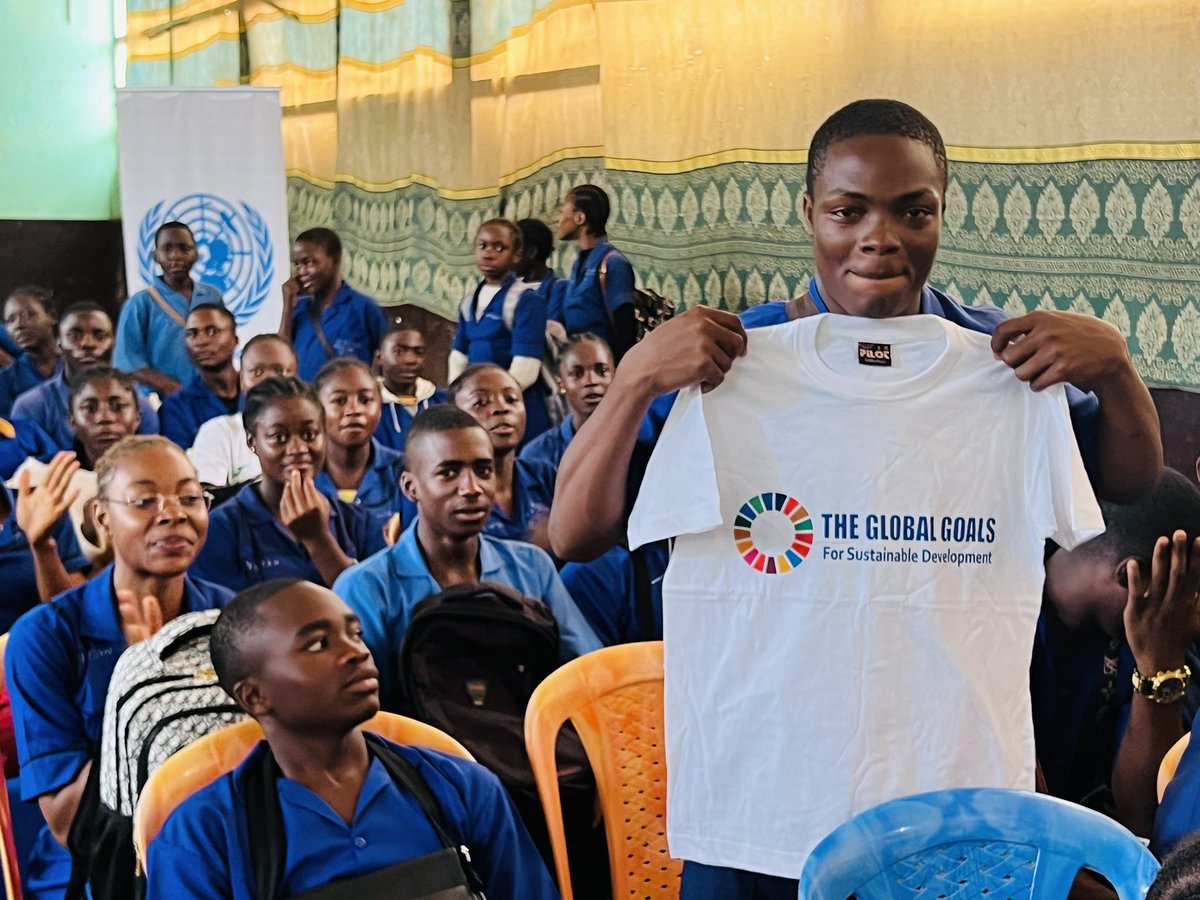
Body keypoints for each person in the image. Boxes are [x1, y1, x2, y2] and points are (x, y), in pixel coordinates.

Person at [549, 99, 1163, 896]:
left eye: (914, 211)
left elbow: (1131, 480)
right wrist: (633, 379)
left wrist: (1114, 367)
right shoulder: (729, 365)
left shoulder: (1001, 366)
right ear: (809, 212)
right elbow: (573, 533)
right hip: (761, 809)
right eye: (849, 210)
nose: (880, 236)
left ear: (943, 211)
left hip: (942, 809)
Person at [146, 578, 559, 898]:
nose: (356, 652)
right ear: (255, 695)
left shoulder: (462, 789)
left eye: (355, 634)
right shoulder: (202, 836)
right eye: (319, 643)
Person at [5, 435, 230, 898]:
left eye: (190, 497)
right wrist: (145, 687)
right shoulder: (45, 636)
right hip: (103, 870)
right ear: (102, 517)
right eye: (144, 500)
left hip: (226, 847)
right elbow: (73, 826)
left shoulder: (232, 620)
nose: (173, 513)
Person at [333, 405, 601, 709]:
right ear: (411, 488)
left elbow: (586, 671)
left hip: (526, 745)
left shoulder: (531, 566)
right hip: (420, 752)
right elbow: (367, 711)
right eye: (448, 473)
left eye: (484, 471)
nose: (472, 488)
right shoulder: (365, 587)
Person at [1032, 469, 1200, 839]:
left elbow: (1145, 814)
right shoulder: (1008, 618)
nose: (1191, 610)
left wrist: (1162, 662)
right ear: (1131, 576)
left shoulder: (1160, 635)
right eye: (1184, 590)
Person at [191, 376, 386, 592]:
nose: (298, 449)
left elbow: (376, 608)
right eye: (279, 437)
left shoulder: (359, 522)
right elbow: (230, 620)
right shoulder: (219, 529)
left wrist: (318, 539)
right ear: (251, 442)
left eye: (309, 434)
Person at [13, 368, 147, 590]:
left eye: (117, 406)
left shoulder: (163, 477)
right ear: (72, 422)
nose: (105, 418)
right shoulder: (46, 479)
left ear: (137, 416)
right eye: (90, 408)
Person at [448, 218, 552, 445]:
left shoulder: (526, 301)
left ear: (516, 255)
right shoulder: (468, 303)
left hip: (518, 414)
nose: (489, 253)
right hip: (480, 412)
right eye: (482, 245)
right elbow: (458, 357)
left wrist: (494, 403)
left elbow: (525, 369)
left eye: (499, 247)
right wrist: (461, 402)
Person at [11, 302, 159, 449]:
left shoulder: (138, 404)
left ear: (114, 344)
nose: (87, 344)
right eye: (75, 336)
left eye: (100, 336)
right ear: (58, 344)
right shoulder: (30, 406)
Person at [114, 221, 224, 396]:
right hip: (162, 401)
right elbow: (127, 363)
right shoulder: (140, 303)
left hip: (209, 396)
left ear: (195, 254)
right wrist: (171, 388)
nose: (175, 255)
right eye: (167, 249)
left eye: (184, 248)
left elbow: (223, 344)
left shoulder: (212, 296)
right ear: (155, 256)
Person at [450, 363, 554, 546]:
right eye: (481, 402)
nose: (501, 408)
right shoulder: (452, 493)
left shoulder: (544, 476)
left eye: (511, 399)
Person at [189, 333, 297, 488]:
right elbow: (207, 498)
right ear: (241, 380)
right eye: (257, 372)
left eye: (279, 371)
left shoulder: (315, 431)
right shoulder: (219, 431)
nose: (268, 380)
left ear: (295, 376)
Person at [279, 227, 387, 383]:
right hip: (306, 403)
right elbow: (281, 357)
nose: (301, 271)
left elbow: (386, 360)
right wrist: (288, 306)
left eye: (308, 262)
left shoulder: (364, 308)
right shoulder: (299, 309)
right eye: (297, 264)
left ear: (335, 260)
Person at [312, 357, 405, 535]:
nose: (354, 409)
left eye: (365, 400)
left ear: (380, 408)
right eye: (339, 401)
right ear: (316, 408)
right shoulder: (301, 477)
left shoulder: (404, 471)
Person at [554, 185, 637, 361]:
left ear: (579, 217)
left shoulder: (612, 263)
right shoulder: (578, 265)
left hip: (606, 368)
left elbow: (625, 328)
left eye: (562, 211)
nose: (558, 219)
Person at [158, 304, 241, 450]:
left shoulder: (263, 394)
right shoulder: (175, 409)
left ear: (234, 339)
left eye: (211, 331)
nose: (201, 342)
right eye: (192, 334)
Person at [373, 323, 447, 454]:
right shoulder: (369, 407)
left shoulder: (444, 401)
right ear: (379, 357)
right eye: (399, 351)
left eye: (419, 352)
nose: (410, 360)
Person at [0, 286, 61, 417]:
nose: (19, 325)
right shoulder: (5, 380)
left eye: (28, 315)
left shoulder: (75, 365)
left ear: (52, 317)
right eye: (10, 320)